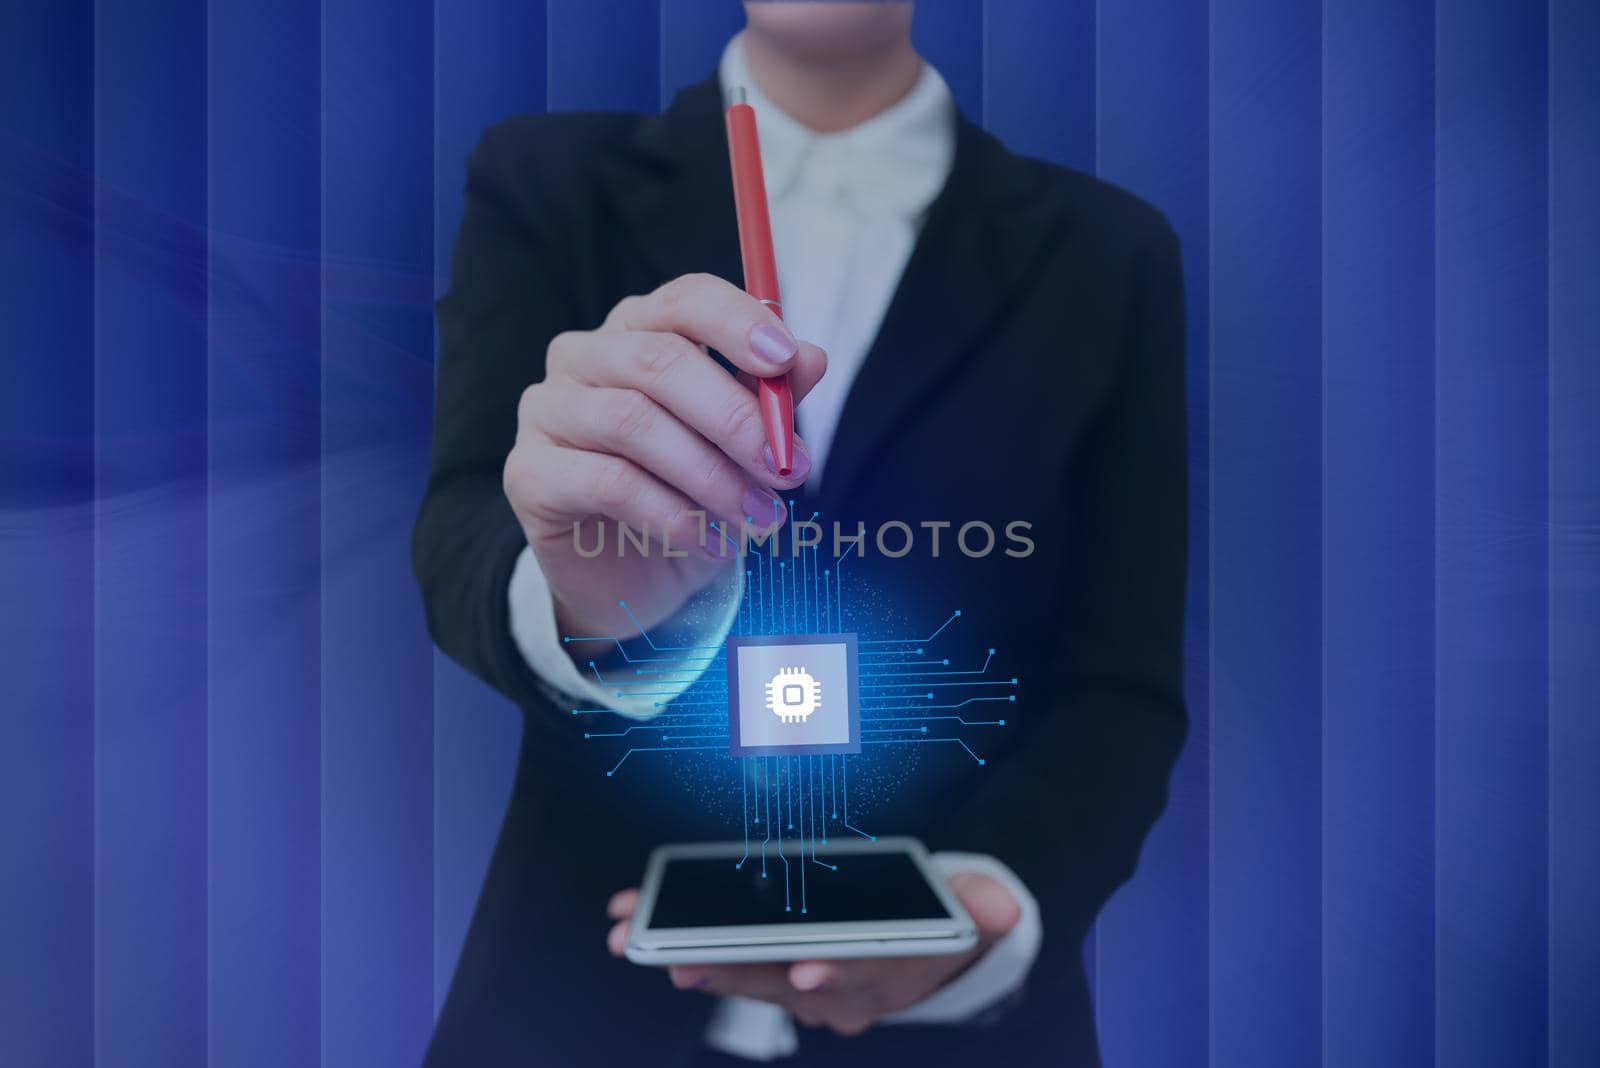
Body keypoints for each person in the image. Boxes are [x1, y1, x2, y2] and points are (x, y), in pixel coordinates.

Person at [414, 3, 1186, 1064]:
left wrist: (988, 909)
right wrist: (593, 601)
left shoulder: (1110, 251)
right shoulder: (547, 181)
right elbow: (459, 526)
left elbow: (1120, 677)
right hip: (573, 1012)